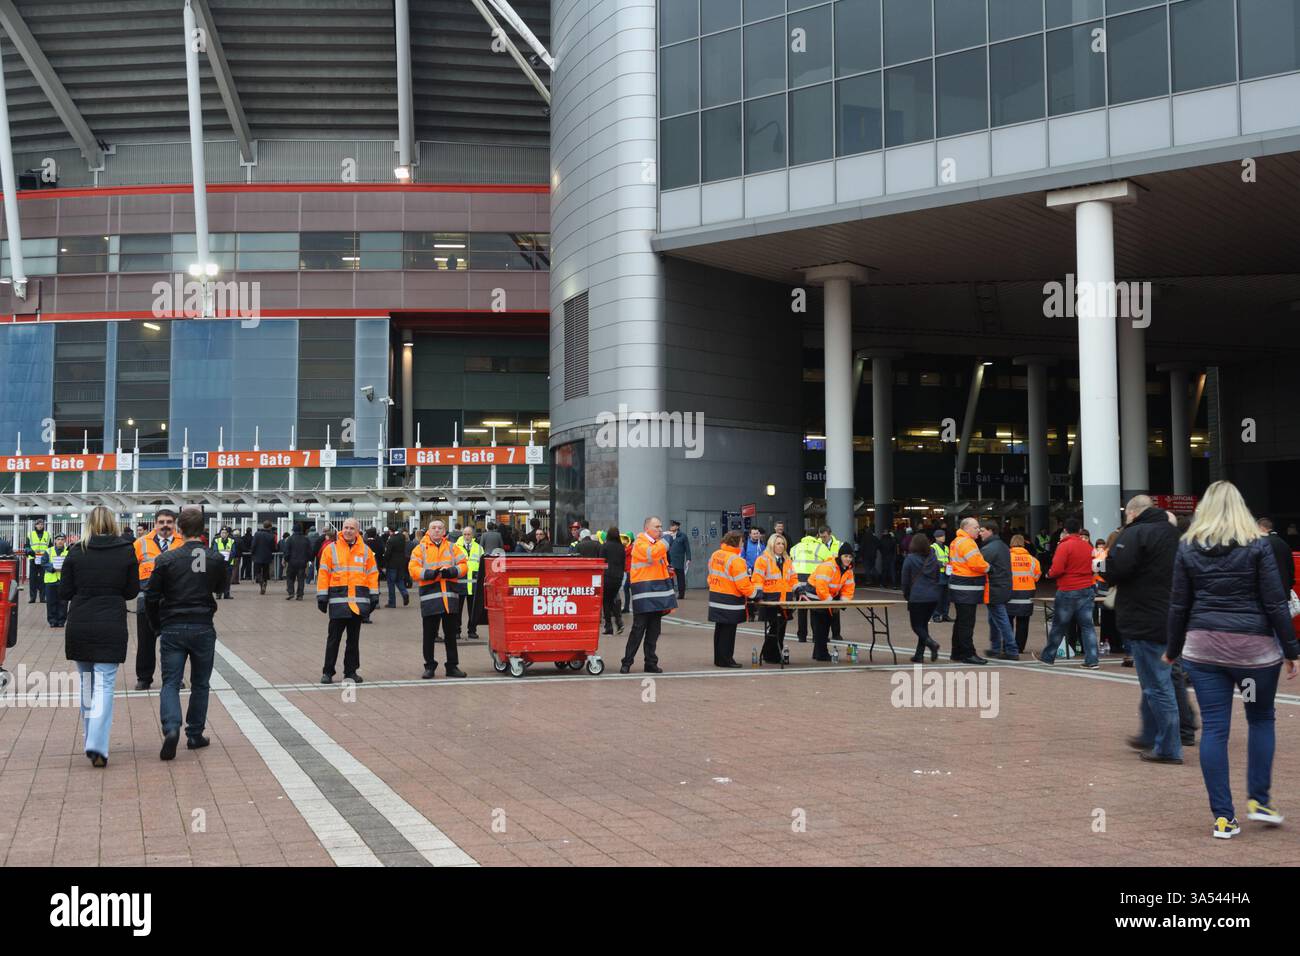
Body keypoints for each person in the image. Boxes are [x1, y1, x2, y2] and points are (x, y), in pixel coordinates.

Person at [1166, 481, 1300, 838]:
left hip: (1204, 649)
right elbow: (1275, 601)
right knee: (1259, 719)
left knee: (1215, 728)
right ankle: (1259, 800)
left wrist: (1171, 648)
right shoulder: (1259, 546)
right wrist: (1291, 650)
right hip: (1252, 654)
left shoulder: (1187, 547)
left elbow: (1179, 603)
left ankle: (1223, 818)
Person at [1101, 495, 1185, 762]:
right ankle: (1151, 735)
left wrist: (1102, 567)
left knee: (1156, 684)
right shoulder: (1173, 535)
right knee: (1161, 679)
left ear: (1133, 513)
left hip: (1145, 617)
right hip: (1172, 615)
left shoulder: (1135, 533)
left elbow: (1117, 569)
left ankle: (1169, 747)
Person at [145, 506, 226, 761]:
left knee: (170, 681)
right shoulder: (214, 558)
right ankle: (194, 733)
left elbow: (151, 596)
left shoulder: (166, 559)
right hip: (203, 625)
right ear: (203, 530)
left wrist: (156, 624)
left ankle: (171, 727)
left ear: (179, 530)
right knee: (201, 682)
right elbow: (221, 587)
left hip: (173, 625)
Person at [61, 506, 139, 768]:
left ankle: (89, 739)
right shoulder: (126, 550)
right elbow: (131, 591)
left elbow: (65, 591)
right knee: (105, 684)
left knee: (86, 684)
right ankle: (97, 742)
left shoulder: (76, 551)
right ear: (113, 523)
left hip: (80, 621)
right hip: (110, 622)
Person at [317, 518, 379, 684]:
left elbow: (372, 573)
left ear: (358, 531)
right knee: (333, 639)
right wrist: (322, 595)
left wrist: (374, 594)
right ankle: (328, 672)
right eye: (346, 527)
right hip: (338, 601)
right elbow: (323, 573)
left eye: (352, 528)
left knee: (353, 640)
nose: (348, 530)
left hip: (357, 604)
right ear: (341, 529)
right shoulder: (331, 549)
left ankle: (351, 671)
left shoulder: (365, 550)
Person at [410, 520, 468, 679]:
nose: (437, 530)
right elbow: (413, 569)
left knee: (451, 634)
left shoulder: (452, 547)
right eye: (434, 528)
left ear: (444, 531)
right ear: (428, 530)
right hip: (430, 597)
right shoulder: (420, 548)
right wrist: (429, 573)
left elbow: (464, 565)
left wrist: (451, 571)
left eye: (440, 528)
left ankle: (452, 666)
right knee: (429, 635)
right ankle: (429, 666)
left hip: (449, 597)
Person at [1038, 517, 1100, 668]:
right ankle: (1092, 660)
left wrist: (1049, 574)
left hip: (1068, 590)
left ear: (1064, 530)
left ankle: (1048, 657)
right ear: (1079, 531)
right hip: (1086, 589)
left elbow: (1057, 568)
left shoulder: (1064, 546)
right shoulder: (1087, 546)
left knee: (1059, 625)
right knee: (1087, 626)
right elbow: (1094, 567)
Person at [133, 509, 182, 690]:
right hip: (146, 600)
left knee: (174, 643)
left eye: (169, 522)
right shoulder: (140, 543)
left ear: (174, 524)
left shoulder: (182, 543)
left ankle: (175, 678)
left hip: (174, 601)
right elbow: (131, 569)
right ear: (155, 524)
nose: (165, 525)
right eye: (161, 522)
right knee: (145, 642)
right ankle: (144, 678)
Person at [621, 516, 676, 674]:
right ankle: (627, 662)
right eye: (656, 527)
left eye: (660, 527)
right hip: (644, 593)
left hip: (656, 593)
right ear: (647, 528)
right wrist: (666, 540)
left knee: (654, 631)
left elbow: (660, 563)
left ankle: (650, 662)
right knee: (638, 630)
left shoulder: (655, 543)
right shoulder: (640, 543)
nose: (660, 529)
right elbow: (652, 554)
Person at [707, 531, 756, 668]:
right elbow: (743, 584)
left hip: (716, 597)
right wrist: (755, 594)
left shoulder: (715, 555)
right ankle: (727, 659)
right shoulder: (736, 560)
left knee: (719, 630)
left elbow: (710, 576)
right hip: (730, 600)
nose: (743, 544)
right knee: (728, 632)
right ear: (737, 542)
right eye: (742, 541)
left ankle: (719, 658)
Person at [947, 517, 989, 665]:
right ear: (967, 528)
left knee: (961, 621)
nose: (979, 530)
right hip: (967, 587)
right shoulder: (967, 542)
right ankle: (968, 653)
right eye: (976, 527)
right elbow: (976, 563)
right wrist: (988, 567)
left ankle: (957, 652)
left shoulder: (956, 541)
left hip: (960, 585)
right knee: (966, 622)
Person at [752, 532, 798, 664]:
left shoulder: (787, 560)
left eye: (783, 543)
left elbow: (793, 579)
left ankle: (774, 653)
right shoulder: (763, 559)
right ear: (772, 545)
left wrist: (799, 589)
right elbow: (757, 579)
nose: (781, 546)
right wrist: (758, 596)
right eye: (778, 543)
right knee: (774, 628)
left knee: (780, 628)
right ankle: (772, 655)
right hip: (770, 599)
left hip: (784, 599)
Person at [809, 544, 855, 662]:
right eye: (845, 556)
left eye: (850, 557)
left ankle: (818, 652)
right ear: (840, 556)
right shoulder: (828, 567)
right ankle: (821, 653)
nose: (848, 559)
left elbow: (848, 589)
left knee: (826, 622)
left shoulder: (848, 570)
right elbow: (821, 587)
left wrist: (842, 603)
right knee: (821, 622)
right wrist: (832, 603)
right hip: (814, 593)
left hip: (827, 595)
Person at [901, 533, 942, 663]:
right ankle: (919, 654)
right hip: (933, 597)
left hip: (917, 597)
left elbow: (905, 580)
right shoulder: (933, 558)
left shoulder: (910, 558)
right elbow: (937, 577)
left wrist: (907, 595)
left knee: (916, 626)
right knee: (923, 625)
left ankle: (932, 644)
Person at [979, 519, 1016, 659]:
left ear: (990, 530)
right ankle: (996, 648)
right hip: (1003, 587)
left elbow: (979, 564)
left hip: (994, 588)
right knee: (994, 619)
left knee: (1000, 619)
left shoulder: (990, 548)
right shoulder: (1002, 545)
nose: (980, 533)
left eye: (982, 530)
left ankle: (1011, 650)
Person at [791, 529, 832, 643]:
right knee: (815, 609)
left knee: (801, 609)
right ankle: (816, 636)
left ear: (805, 535)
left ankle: (802, 636)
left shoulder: (796, 547)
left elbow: (792, 558)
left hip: (799, 580)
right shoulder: (821, 547)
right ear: (817, 536)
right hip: (813, 580)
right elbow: (829, 562)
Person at [1006, 534, 1042, 660]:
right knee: (1023, 621)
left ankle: (1008, 645)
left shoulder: (1006, 558)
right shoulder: (1033, 560)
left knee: (1008, 620)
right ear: (1023, 544)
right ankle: (1019, 646)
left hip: (1010, 592)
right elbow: (1037, 577)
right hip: (1027, 592)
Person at [457, 524, 485, 640]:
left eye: (468, 534)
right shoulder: (455, 548)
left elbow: (482, 566)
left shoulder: (478, 548)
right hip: (459, 585)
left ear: (472, 535)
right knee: (456, 611)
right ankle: (456, 631)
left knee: (473, 610)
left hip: (473, 585)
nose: (466, 536)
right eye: (464, 534)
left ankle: (472, 631)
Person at [1257, 517, 1295, 596]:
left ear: (1261, 528)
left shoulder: (1262, 543)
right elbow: (1291, 569)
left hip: (1268, 590)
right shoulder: (1284, 543)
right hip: (1283, 589)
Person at [601, 525, 626, 635]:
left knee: (606, 601)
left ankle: (609, 626)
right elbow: (623, 563)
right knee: (613, 600)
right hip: (618, 577)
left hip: (607, 577)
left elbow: (601, 561)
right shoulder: (621, 548)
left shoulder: (605, 546)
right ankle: (619, 621)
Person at [44, 533, 70, 628]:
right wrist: (53, 568)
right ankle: (52, 620)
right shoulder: (48, 551)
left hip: (63, 581)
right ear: (55, 541)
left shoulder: (68, 551)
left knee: (63, 602)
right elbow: (44, 563)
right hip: (50, 581)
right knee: (51, 602)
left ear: (65, 541)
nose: (60, 541)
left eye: (62, 539)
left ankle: (61, 621)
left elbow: (71, 564)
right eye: (58, 539)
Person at [281, 523, 313, 601]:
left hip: (292, 562)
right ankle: (300, 595)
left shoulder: (290, 539)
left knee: (290, 578)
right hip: (302, 563)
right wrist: (308, 559)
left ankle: (291, 592)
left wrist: (286, 560)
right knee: (301, 579)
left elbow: (287, 551)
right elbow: (309, 552)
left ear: (293, 530)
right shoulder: (306, 539)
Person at [383, 524, 410, 608]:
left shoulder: (391, 540)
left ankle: (392, 602)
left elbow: (388, 553)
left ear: (390, 531)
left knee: (391, 583)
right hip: (401, 563)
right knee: (399, 581)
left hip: (392, 564)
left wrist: (385, 561)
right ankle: (405, 593)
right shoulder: (402, 537)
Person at [26, 517, 52, 604]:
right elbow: (26, 546)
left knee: (43, 579)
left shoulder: (47, 535)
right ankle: (32, 598)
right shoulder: (30, 534)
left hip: (43, 560)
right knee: (32, 579)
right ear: (35, 525)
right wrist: (29, 551)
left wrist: (48, 557)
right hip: (33, 559)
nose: (40, 526)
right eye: (38, 524)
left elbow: (50, 547)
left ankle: (42, 598)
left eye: (41, 524)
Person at [930, 528, 952, 623]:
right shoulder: (933, 547)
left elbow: (949, 559)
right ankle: (936, 615)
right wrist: (942, 564)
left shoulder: (946, 548)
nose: (943, 537)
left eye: (943, 536)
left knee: (947, 597)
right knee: (938, 596)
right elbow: (932, 560)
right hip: (938, 574)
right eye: (941, 536)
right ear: (936, 538)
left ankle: (945, 614)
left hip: (947, 574)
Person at [251, 520, 276, 594]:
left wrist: (252, 552)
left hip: (257, 556)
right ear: (270, 527)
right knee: (265, 573)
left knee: (257, 572)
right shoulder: (271, 536)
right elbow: (273, 548)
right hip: (267, 557)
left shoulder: (257, 534)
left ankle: (261, 582)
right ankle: (264, 584)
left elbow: (253, 545)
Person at [668, 520, 691, 598]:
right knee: (670, 578)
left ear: (677, 527)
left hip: (679, 560)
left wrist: (688, 558)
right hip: (670, 560)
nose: (671, 527)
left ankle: (681, 594)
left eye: (673, 525)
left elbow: (687, 548)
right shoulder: (668, 536)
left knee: (680, 578)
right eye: (671, 525)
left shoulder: (683, 536)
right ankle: (671, 593)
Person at [213, 527, 237, 599]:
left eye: (225, 533)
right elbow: (215, 551)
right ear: (220, 534)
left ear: (227, 534)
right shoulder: (216, 541)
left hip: (228, 563)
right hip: (219, 563)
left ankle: (226, 594)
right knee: (219, 579)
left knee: (227, 579)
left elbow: (233, 552)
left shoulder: (231, 541)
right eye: (222, 532)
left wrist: (228, 560)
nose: (223, 534)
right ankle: (218, 594)